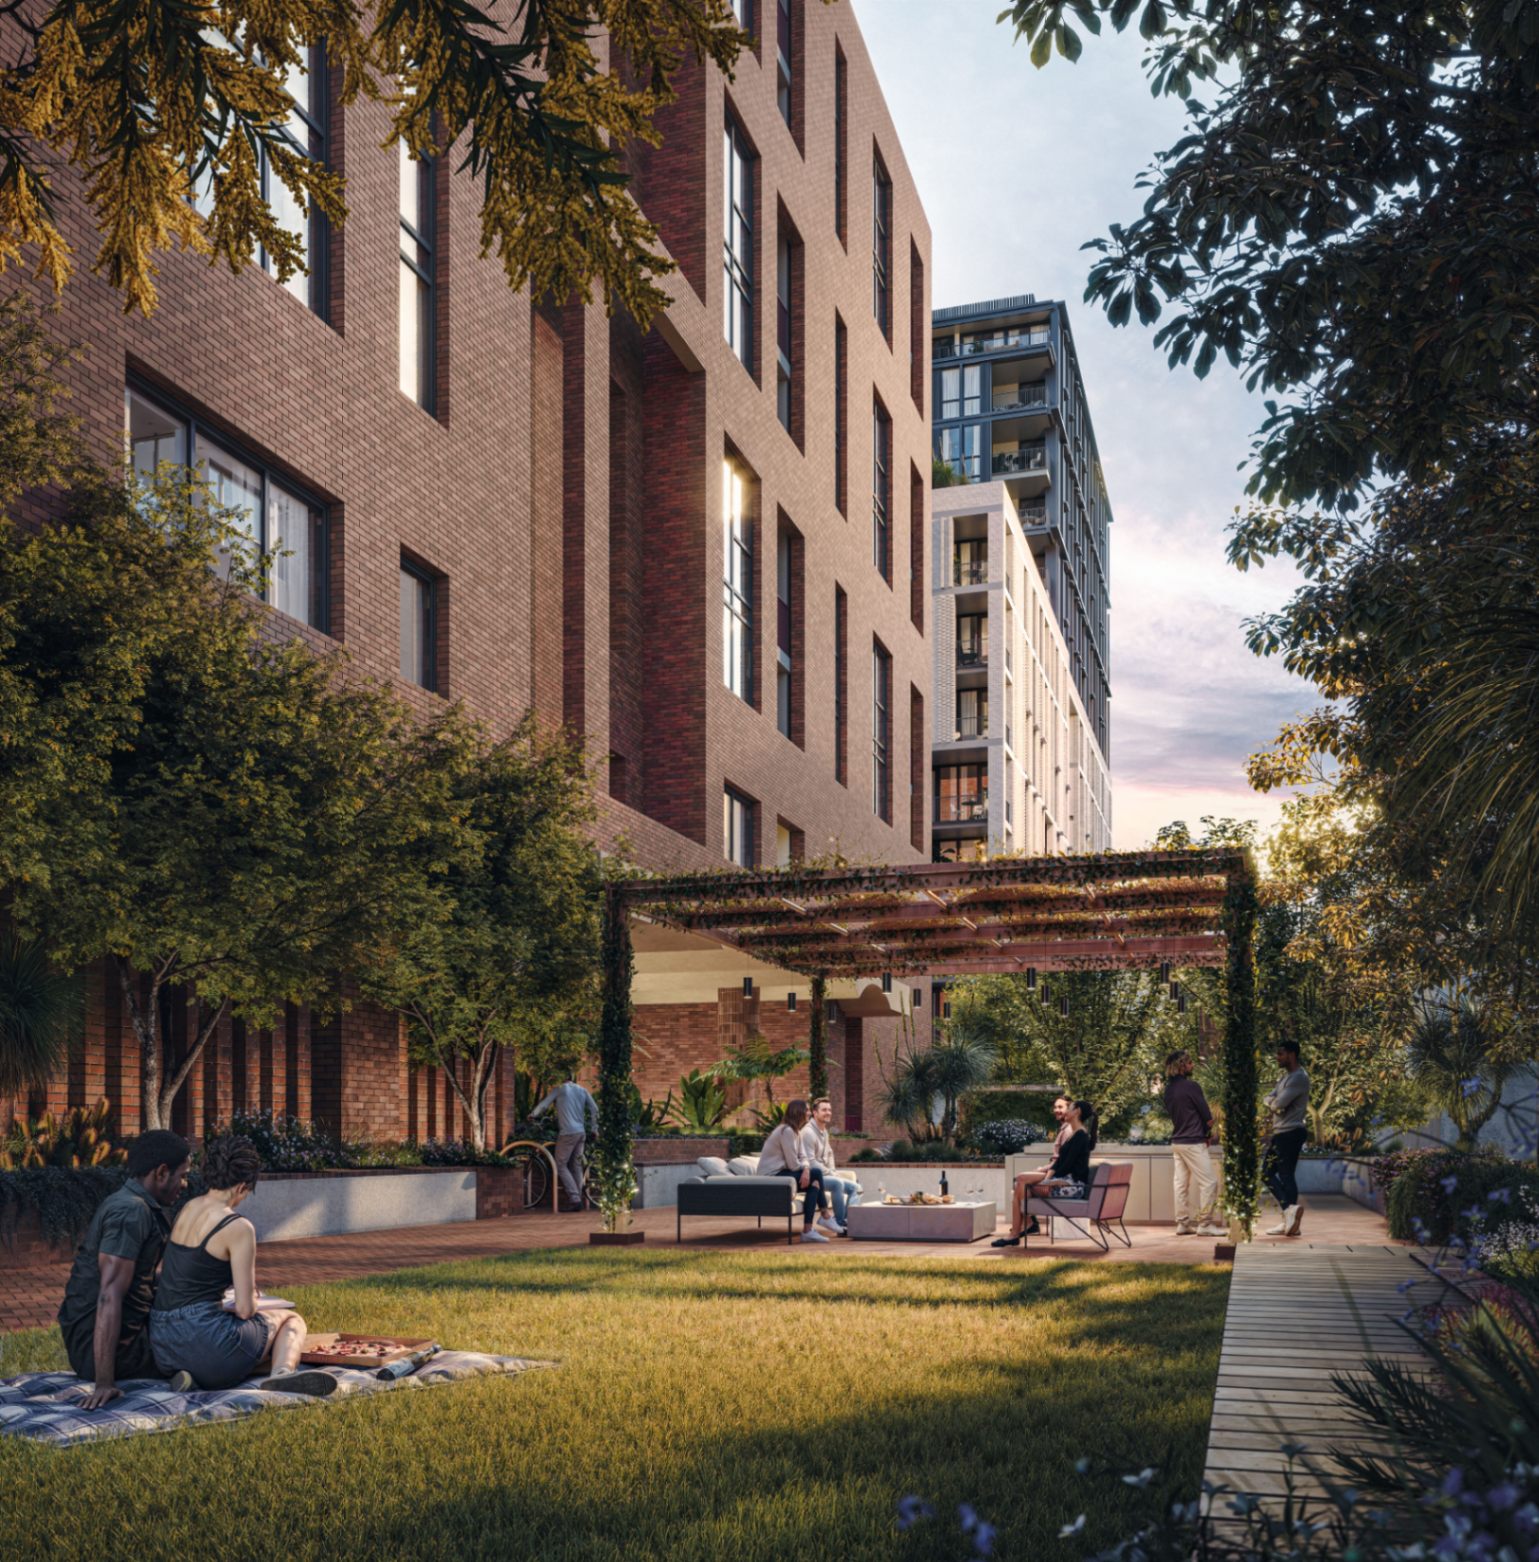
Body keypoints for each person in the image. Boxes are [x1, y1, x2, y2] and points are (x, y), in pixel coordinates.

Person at [149, 1133, 330, 1395]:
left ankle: (191, 1377)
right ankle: (282, 1374)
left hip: (163, 1344)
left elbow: (181, 1278)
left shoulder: (186, 1208)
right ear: (242, 1186)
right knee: (290, 1320)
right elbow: (245, 1310)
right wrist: (253, 1300)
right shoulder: (238, 1227)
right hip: (206, 1341)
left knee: (250, 1340)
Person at [58, 1129, 191, 1409]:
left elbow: (139, 1279)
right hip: (109, 1350)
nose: (186, 1183)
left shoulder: (136, 1204)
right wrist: (104, 1383)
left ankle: (180, 1369)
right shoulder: (131, 1211)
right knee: (217, 1344)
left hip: (121, 1336)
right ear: (162, 1173)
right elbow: (109, 1295)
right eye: (183, 1175)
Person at [992, 1099, 1097, 1246]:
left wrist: (1048, 1181)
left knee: (1021, 1182)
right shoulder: (1074, 1135)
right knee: (1020, 1185)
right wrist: (1047, 1179)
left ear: (1077, 1112)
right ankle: (1019, 1230)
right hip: (1062, 1180)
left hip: (1072, 1186)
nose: (1066, 1112)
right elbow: (1059, 1162)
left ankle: (1019, 1231)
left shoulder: (1081, 1137)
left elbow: (1067, 1166)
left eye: (1069, 1108)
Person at [1165, 1050, 1226, 1238]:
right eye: (1190, 1063)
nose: (1192, 1066)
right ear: (1182, 1066)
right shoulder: (1192, 1086)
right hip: (1193, 1142)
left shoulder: (1168, 1090)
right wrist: (1207, 1133)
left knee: (1181, 1184)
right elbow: (1208, 1118)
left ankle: (1182, 1224)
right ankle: (1205, 1224)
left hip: (1177, 1142)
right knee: (1209, 1183)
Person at [758, 1099, 835, 1241]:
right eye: (806, 1110)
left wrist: (806, 1168)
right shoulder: (786, 1131)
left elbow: (803, 1157)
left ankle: (807, 1231)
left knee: (814, 1184)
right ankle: (824, 1214)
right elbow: (793, 1164)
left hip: (784, 1173)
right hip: (772, 1176)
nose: (808, 1113)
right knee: (816, 1174)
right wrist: (807, 1170)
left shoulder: (796, 1131)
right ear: (797, 1112)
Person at [1263, 1040, 1311, 1236]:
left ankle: (1289, 1216)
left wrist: (1273, 1103)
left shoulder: (1299, 1078)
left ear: (1291, 1055)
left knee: (1284, 1174)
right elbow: (1269, 1098)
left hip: (1290, 1132)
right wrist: (1272, 1102)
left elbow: (1277, 1104)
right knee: (1267, 1173)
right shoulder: (1285, 1078)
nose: (1277, 1057)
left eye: (1281, 1054)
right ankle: (1289, 1218)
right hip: (1281, 1133)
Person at [531, 1074, 599, 1208]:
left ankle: (574, 1199)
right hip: (581, 1133)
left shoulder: (560, 1089)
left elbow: (545, 1104)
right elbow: (594, 1109)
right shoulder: (582, 1090)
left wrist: (533, 1114)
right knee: (576, 1165)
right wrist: (594, 1128)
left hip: (567, 1133)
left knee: (560, 1164)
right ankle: (577, 1199)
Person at [800, 1097, 860, 1230]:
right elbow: (810, 1162)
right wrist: (831, 1173)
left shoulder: (824, 1131)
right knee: (837, 1183)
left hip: (825, 1173)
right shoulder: (808, 1132)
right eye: (824, 1110)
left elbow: (829, 1153)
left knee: (855, 1187)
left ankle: (848, 1221)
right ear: (815, 1113)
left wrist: (832, 1170)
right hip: (812, 1176)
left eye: (829, 1110)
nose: (828, 1112)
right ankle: (839, 1222)